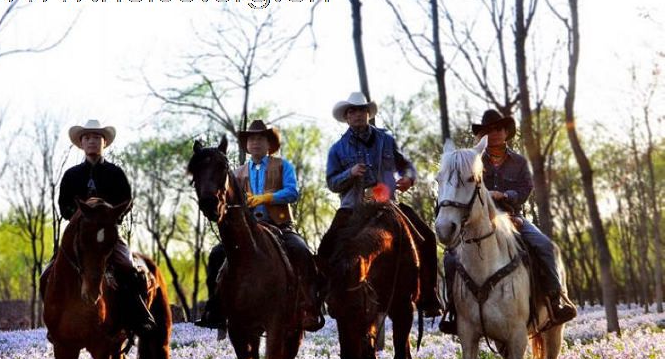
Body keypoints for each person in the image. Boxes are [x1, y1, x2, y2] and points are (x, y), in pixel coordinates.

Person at [440, 109, 577, 335]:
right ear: (482, 135)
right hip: (478, 221)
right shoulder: (472, 160)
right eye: (488, 130)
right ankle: (454, 310)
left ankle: (555, 301)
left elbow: (526, 188)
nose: (493, 134)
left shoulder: (519, 162)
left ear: (506, 132)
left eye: (498, 129)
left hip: (514, 217)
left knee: (547, 248)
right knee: (450, 257)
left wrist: (505, 196)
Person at [318, 91, 443, 318]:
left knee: (427, 237)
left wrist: (409, 178)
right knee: (325, 248)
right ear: (346, 117)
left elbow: (406, 165)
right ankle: (325, 298)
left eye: (361, 110)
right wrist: (350, 173)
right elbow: (331, 182)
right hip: (352, 208)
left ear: (368, 113)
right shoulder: (336, 149)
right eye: (352, 111)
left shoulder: (386, 140)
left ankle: (429, 296)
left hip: (387, 204)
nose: (357, 115)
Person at [195, 119, 323, 331]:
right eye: (251, 139)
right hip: (246, 229)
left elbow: (293, 192)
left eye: (260, 138)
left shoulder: (283, 166)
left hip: (279, 225)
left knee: (301, 250)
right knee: (216, 254)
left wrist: (265, 198)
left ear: (268, 143)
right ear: (247, 145)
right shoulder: (236, 173)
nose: (255, 142)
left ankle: (309, 306)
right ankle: (215, 309)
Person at [54, 119, 156, 333]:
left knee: (128, 267)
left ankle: (138, 315)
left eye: (97, 137)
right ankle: (53, 320)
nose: (92, 141)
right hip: (78, 236)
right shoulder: (71, 175)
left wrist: (110, 215)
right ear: (81, 143)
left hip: (107, 234)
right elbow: (63, 206)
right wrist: (80, 214)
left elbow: (127, 200)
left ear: (104, 143)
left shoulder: (115, 172)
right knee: (50, 271)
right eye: (87, 137)